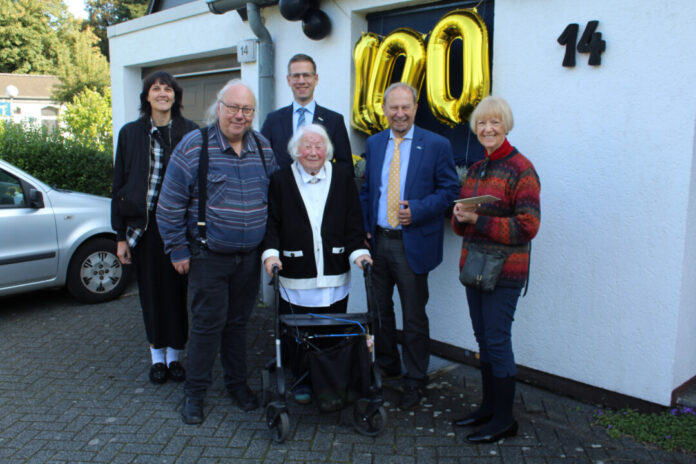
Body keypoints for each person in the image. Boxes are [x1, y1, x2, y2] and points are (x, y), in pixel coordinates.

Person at [156, 80, 277, 425]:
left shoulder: (263, 148)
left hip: (249, 259)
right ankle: (194, 394)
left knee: (239, 325)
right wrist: (178, 250)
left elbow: (275, 200)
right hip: (208, 257)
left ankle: (237, 385)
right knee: (208, 327)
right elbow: (169, 205)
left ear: (254, 114)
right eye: (234, 108)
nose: (240, 116)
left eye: (247, 110)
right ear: (219, 107)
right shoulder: (195, 146)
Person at [359, 82, 459, 409]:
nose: (399, 113)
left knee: (414, 316)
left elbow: (449, 190)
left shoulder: (436, 145)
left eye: (406, 107)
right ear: (384, 109)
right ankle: (387, 366)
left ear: (415, 109)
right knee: (380, 311)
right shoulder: (374, 144)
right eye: (393, 107)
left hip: (411, 244)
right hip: (378, 243)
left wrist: (418, 210)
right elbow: (367, 190)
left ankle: (415, 378)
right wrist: (364, 229)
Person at [261, 123, 371, 404]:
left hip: (334, 272)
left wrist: (358, 252)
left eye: (319, 146)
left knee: (330, 330)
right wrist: (271, 254)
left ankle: (329, 382)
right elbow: (272, 223)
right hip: (295, 273)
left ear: (328, 151)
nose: (313, 152)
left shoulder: (343, 177)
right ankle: (302, 379)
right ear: (295, 151)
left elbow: (353, 223)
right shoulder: (281, 180)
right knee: (298, 334)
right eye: (307, 146)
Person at [452, 95, 540, 443]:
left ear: (506, 126)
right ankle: (488, 408)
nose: (488, 129)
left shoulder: (522, 169)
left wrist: (479, 219)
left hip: (504, 272)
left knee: (498, 341)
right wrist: (460, 217)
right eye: (482, 123)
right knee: (483, 340)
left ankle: (505, 419)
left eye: (495, 123)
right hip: (475, 267)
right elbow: (465, 223)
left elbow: (529, 225)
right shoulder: (476, 169)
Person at [111, 71, 198, 385]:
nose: (162, 93)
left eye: (168, 89)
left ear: (176, 96)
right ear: (146, 96)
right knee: (150, 295)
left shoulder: (190, 132)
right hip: (143, 230)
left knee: (176, 295)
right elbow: (118, 185)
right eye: (156, 89)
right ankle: (156, 358)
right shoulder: (130, 134)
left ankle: (175, 356)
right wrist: (120, 236)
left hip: (178, 231)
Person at [261, 53, 352, 169]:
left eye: (306, 75)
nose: (301, 81)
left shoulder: (334, 121)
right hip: (282, 186)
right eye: (296, 76)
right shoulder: (273, 120)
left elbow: (345, 166)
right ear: (288, 80)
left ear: (316, 79)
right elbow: (262, 160)